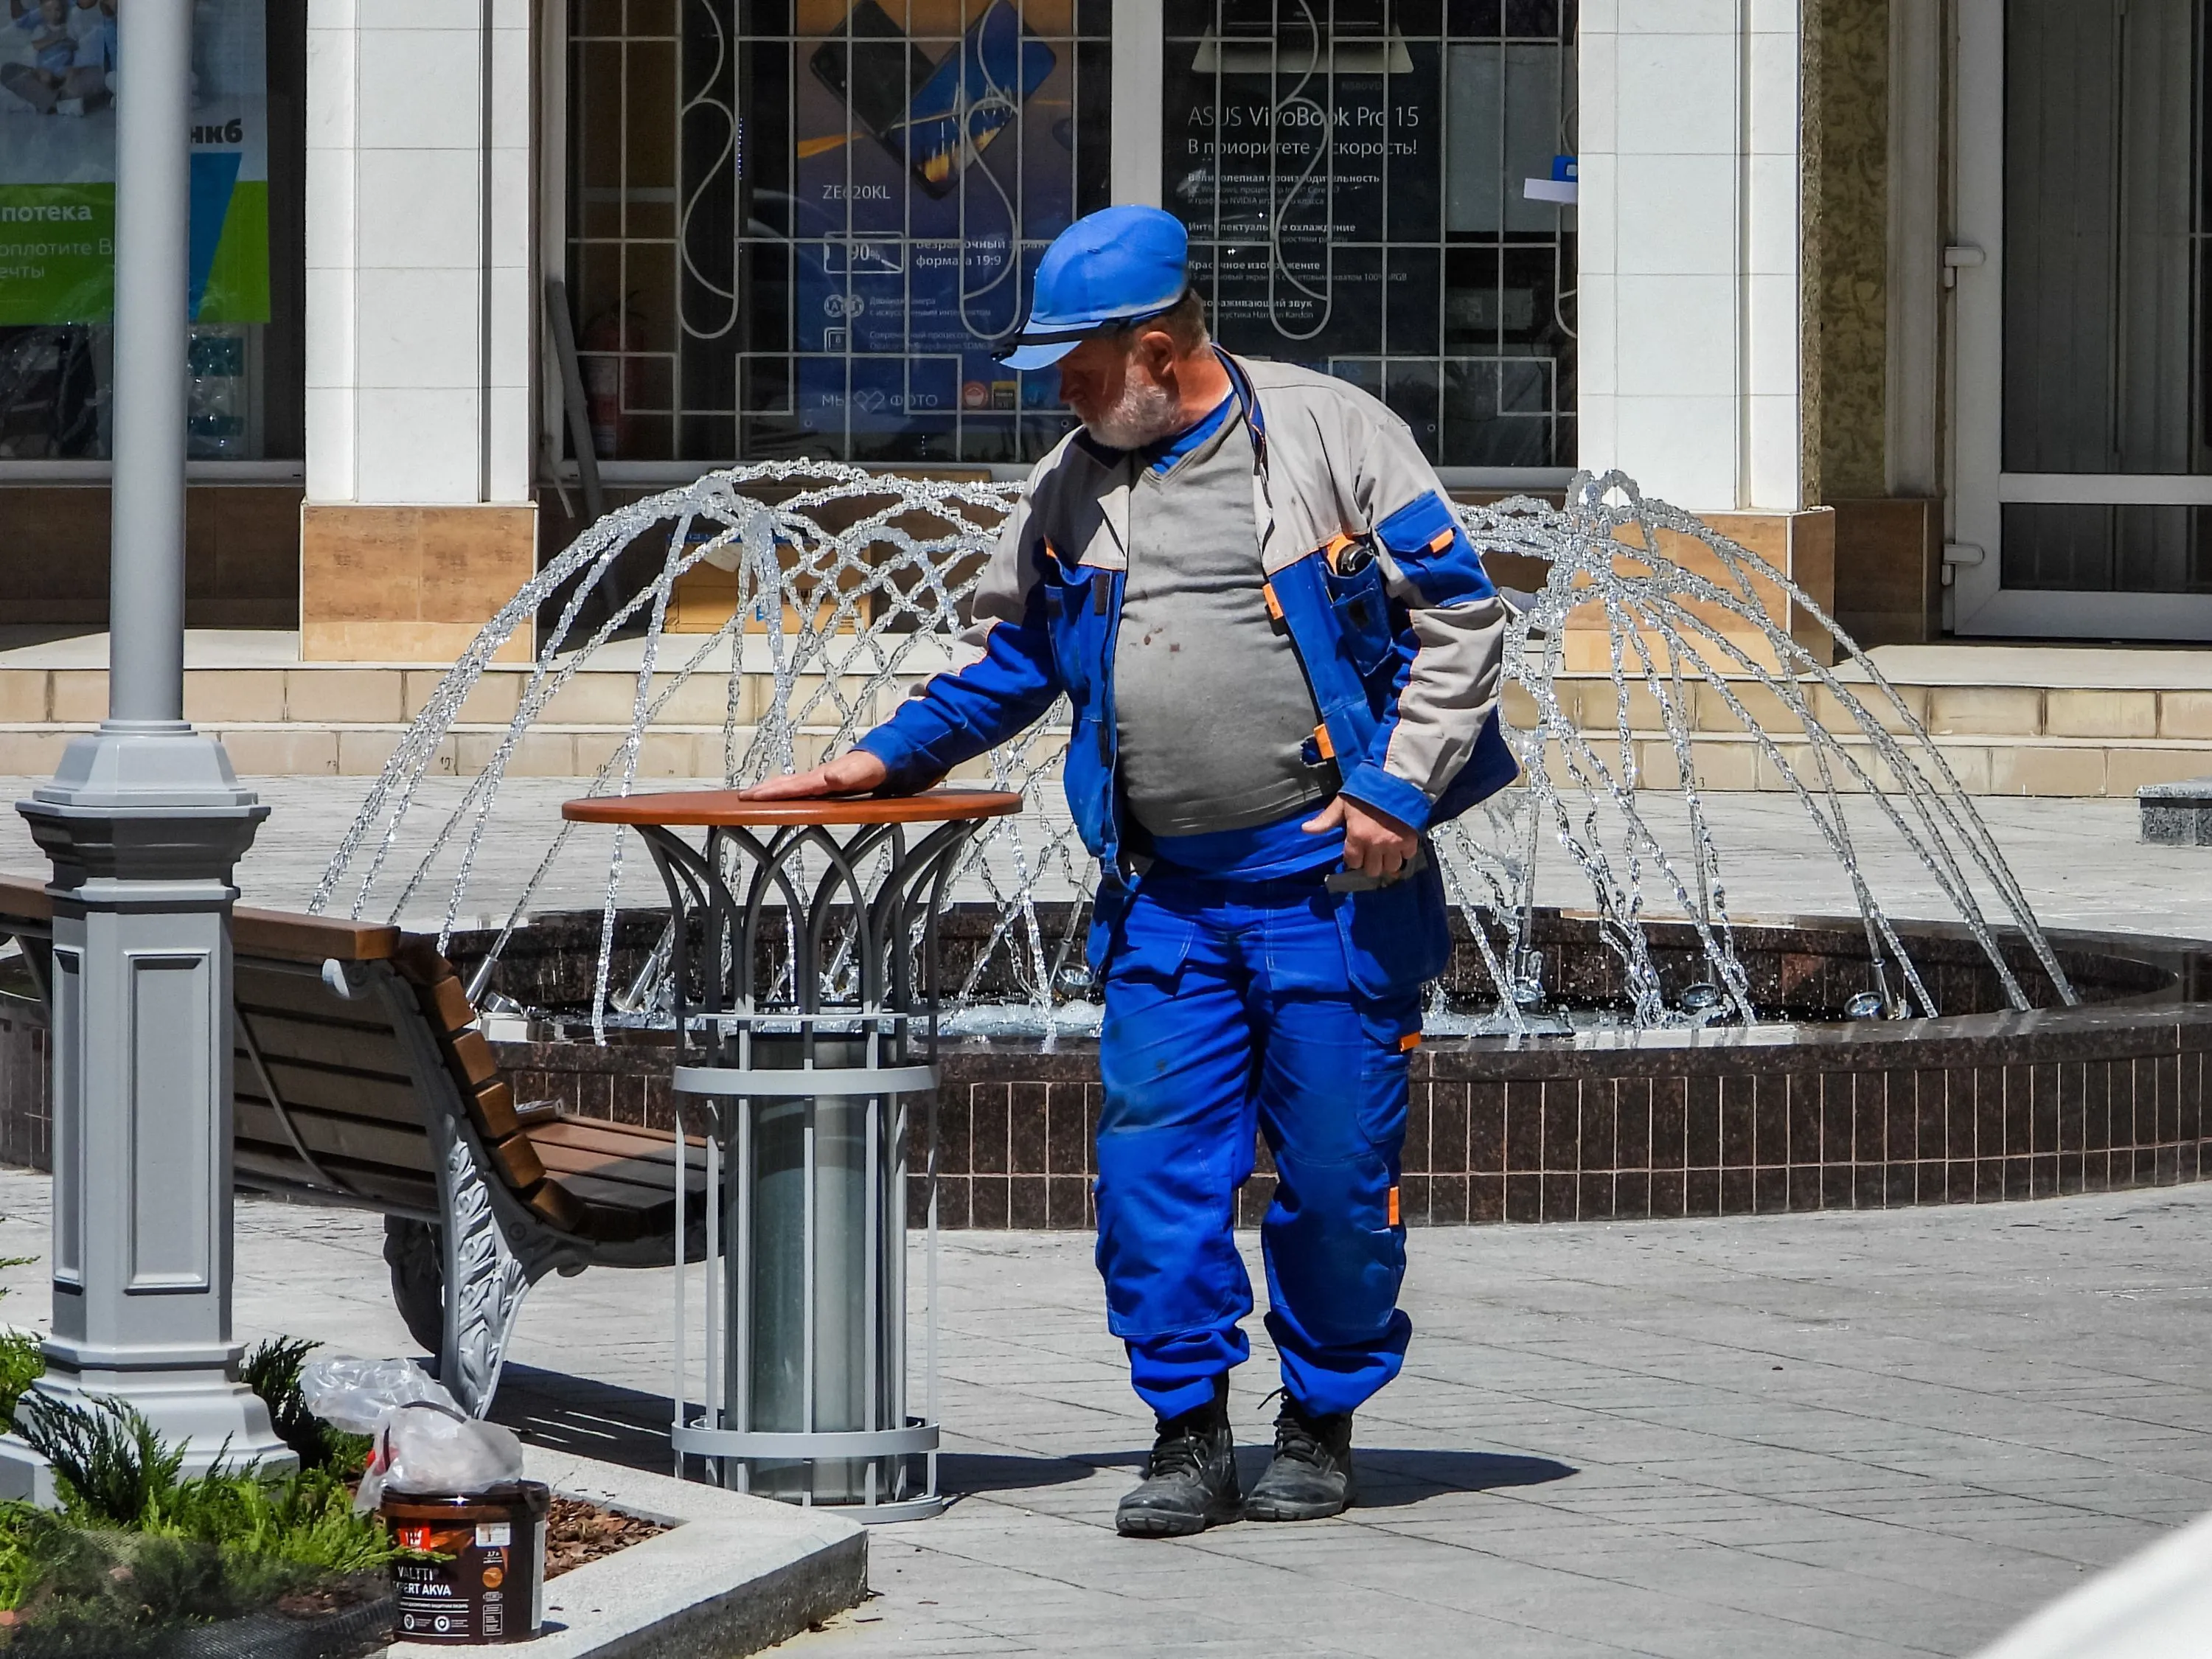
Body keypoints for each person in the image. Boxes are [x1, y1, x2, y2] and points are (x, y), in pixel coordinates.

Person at [745, 204, 1514, 1537]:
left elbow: (1460, 616)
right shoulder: (1073, 486)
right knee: (1154, 1183)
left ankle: (1321, 1422)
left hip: (1332, 896)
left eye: (1084, 368)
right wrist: (882, 762)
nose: (1064, 393)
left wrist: (1398, 788)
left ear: (1159, 347)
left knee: (1335, 1180)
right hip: (1167, 901)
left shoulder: (1333, 438)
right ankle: (1187, 1433)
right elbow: (1016, 659)